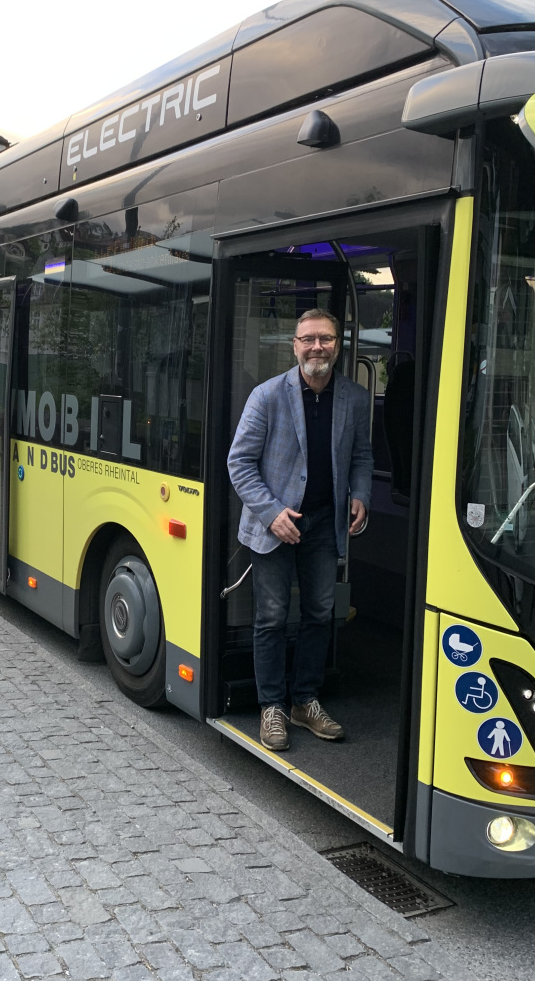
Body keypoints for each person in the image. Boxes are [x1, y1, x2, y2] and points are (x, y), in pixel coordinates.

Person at [228, 309, 374, 750]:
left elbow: (362, 457)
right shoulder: (267, 396)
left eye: (325, 339)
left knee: (319, 613)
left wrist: (361, 494)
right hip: (274, 526)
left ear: (337, 345)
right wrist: (272, 513)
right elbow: (239, 463)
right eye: (308, 339)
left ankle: (304, 700)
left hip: (323, 526)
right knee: (271, 618)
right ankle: (271, 706)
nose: (317, 347)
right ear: (294, 345)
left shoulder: (354, 398)